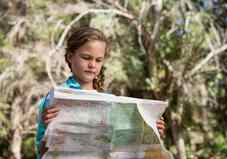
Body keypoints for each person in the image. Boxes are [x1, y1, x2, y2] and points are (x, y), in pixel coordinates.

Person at [35, 26, 166, 158]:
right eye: (86, 58)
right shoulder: (56, 99)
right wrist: (48, 130)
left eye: (98, 60)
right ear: (70, 57)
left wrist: (152, 132)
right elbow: (42, 153)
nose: (92, 65)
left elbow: (125, 150)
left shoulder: (110, 101)